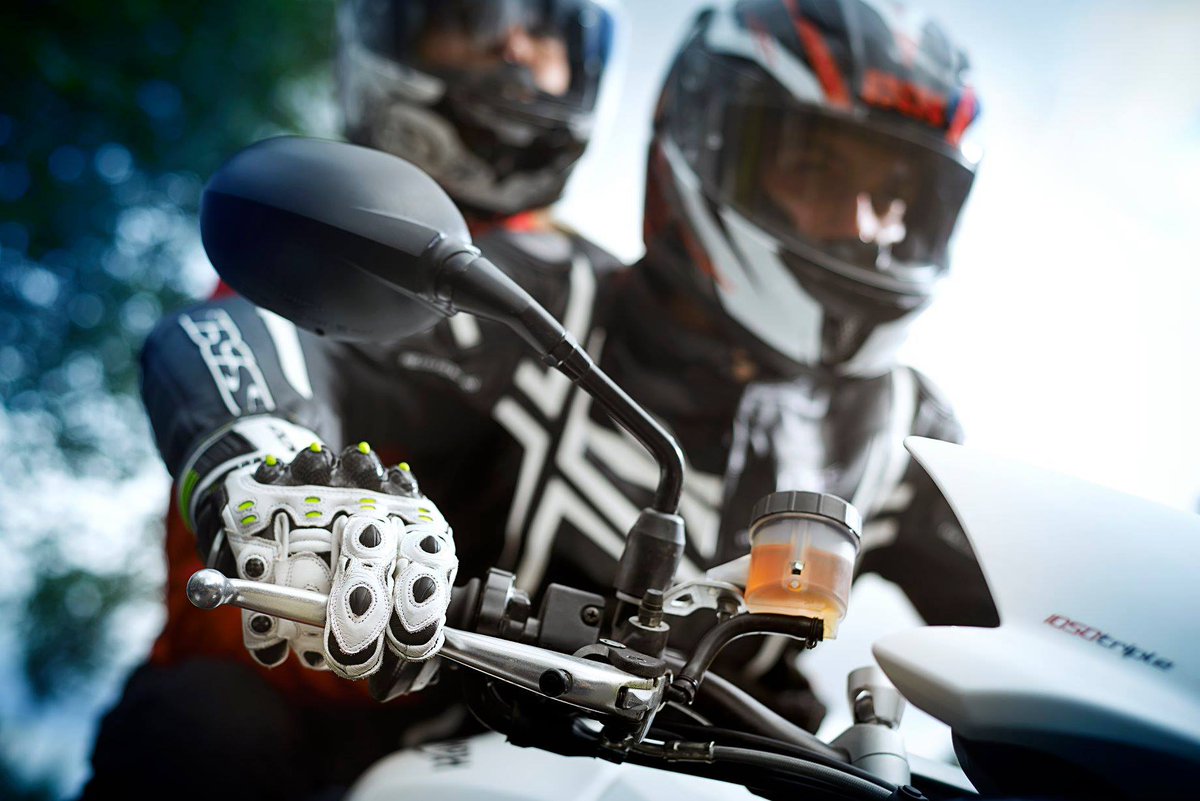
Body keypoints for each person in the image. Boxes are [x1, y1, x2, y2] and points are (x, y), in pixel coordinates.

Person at [89, 0, 995, 797]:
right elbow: (245, 332)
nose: (866, 226)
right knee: (204, 727)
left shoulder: (905, 433)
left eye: (899, 196)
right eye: (818, 169)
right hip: (409, 751)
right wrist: (265, 466)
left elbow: (1033, 616)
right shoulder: (548, 302)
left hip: (736, 783)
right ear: (707, 139)